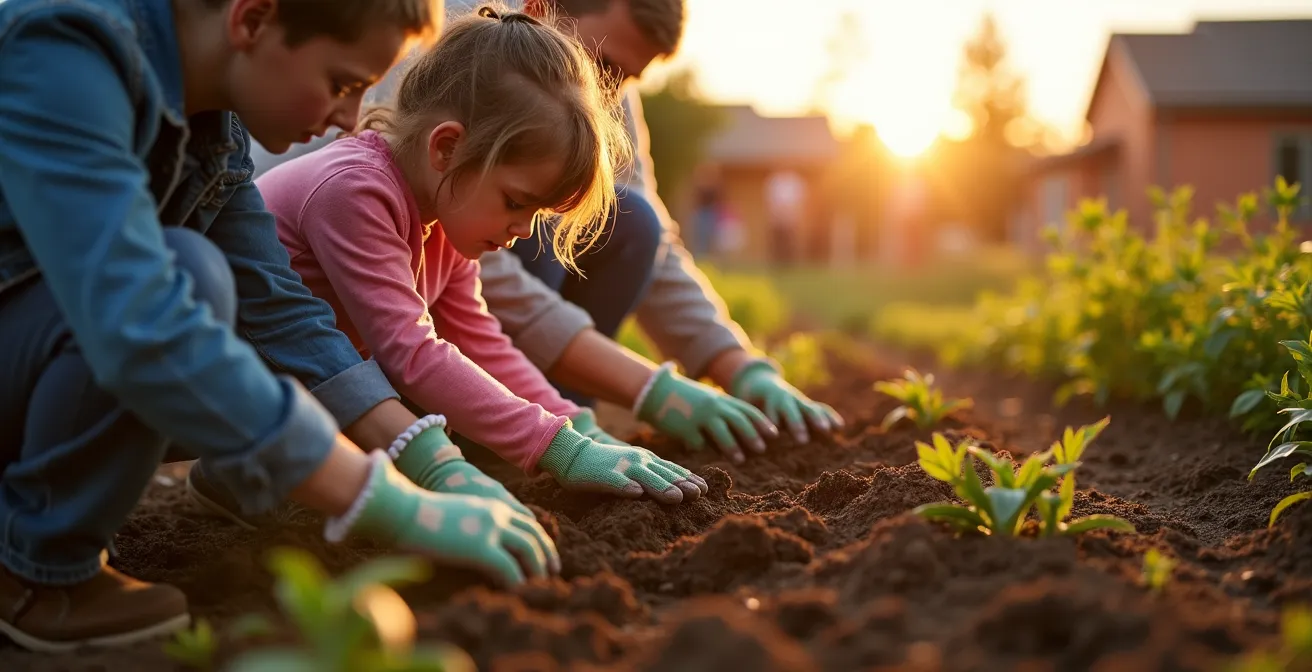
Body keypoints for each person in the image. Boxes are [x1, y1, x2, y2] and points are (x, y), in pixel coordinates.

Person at [0, 0, 557, 652]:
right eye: (342, 82)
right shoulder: (65, 52)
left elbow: (282, 311)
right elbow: (136, 316)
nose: (349, 117)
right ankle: (34, 575)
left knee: (217, 293)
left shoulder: (215, 129)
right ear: (254, 18)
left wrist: (430, 462)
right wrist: (379, 500)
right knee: (191, 277)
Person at [252, 7, 711, 507]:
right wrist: (553, 448)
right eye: (516, 201)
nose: (524, 228)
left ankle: (255, 477)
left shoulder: (444, 218)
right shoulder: (355, 190)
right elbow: (413, 354)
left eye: (538, 210)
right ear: (447, 148)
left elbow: (478, 339)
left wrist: (576, 428)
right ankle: (252, 469)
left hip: (297, 387)